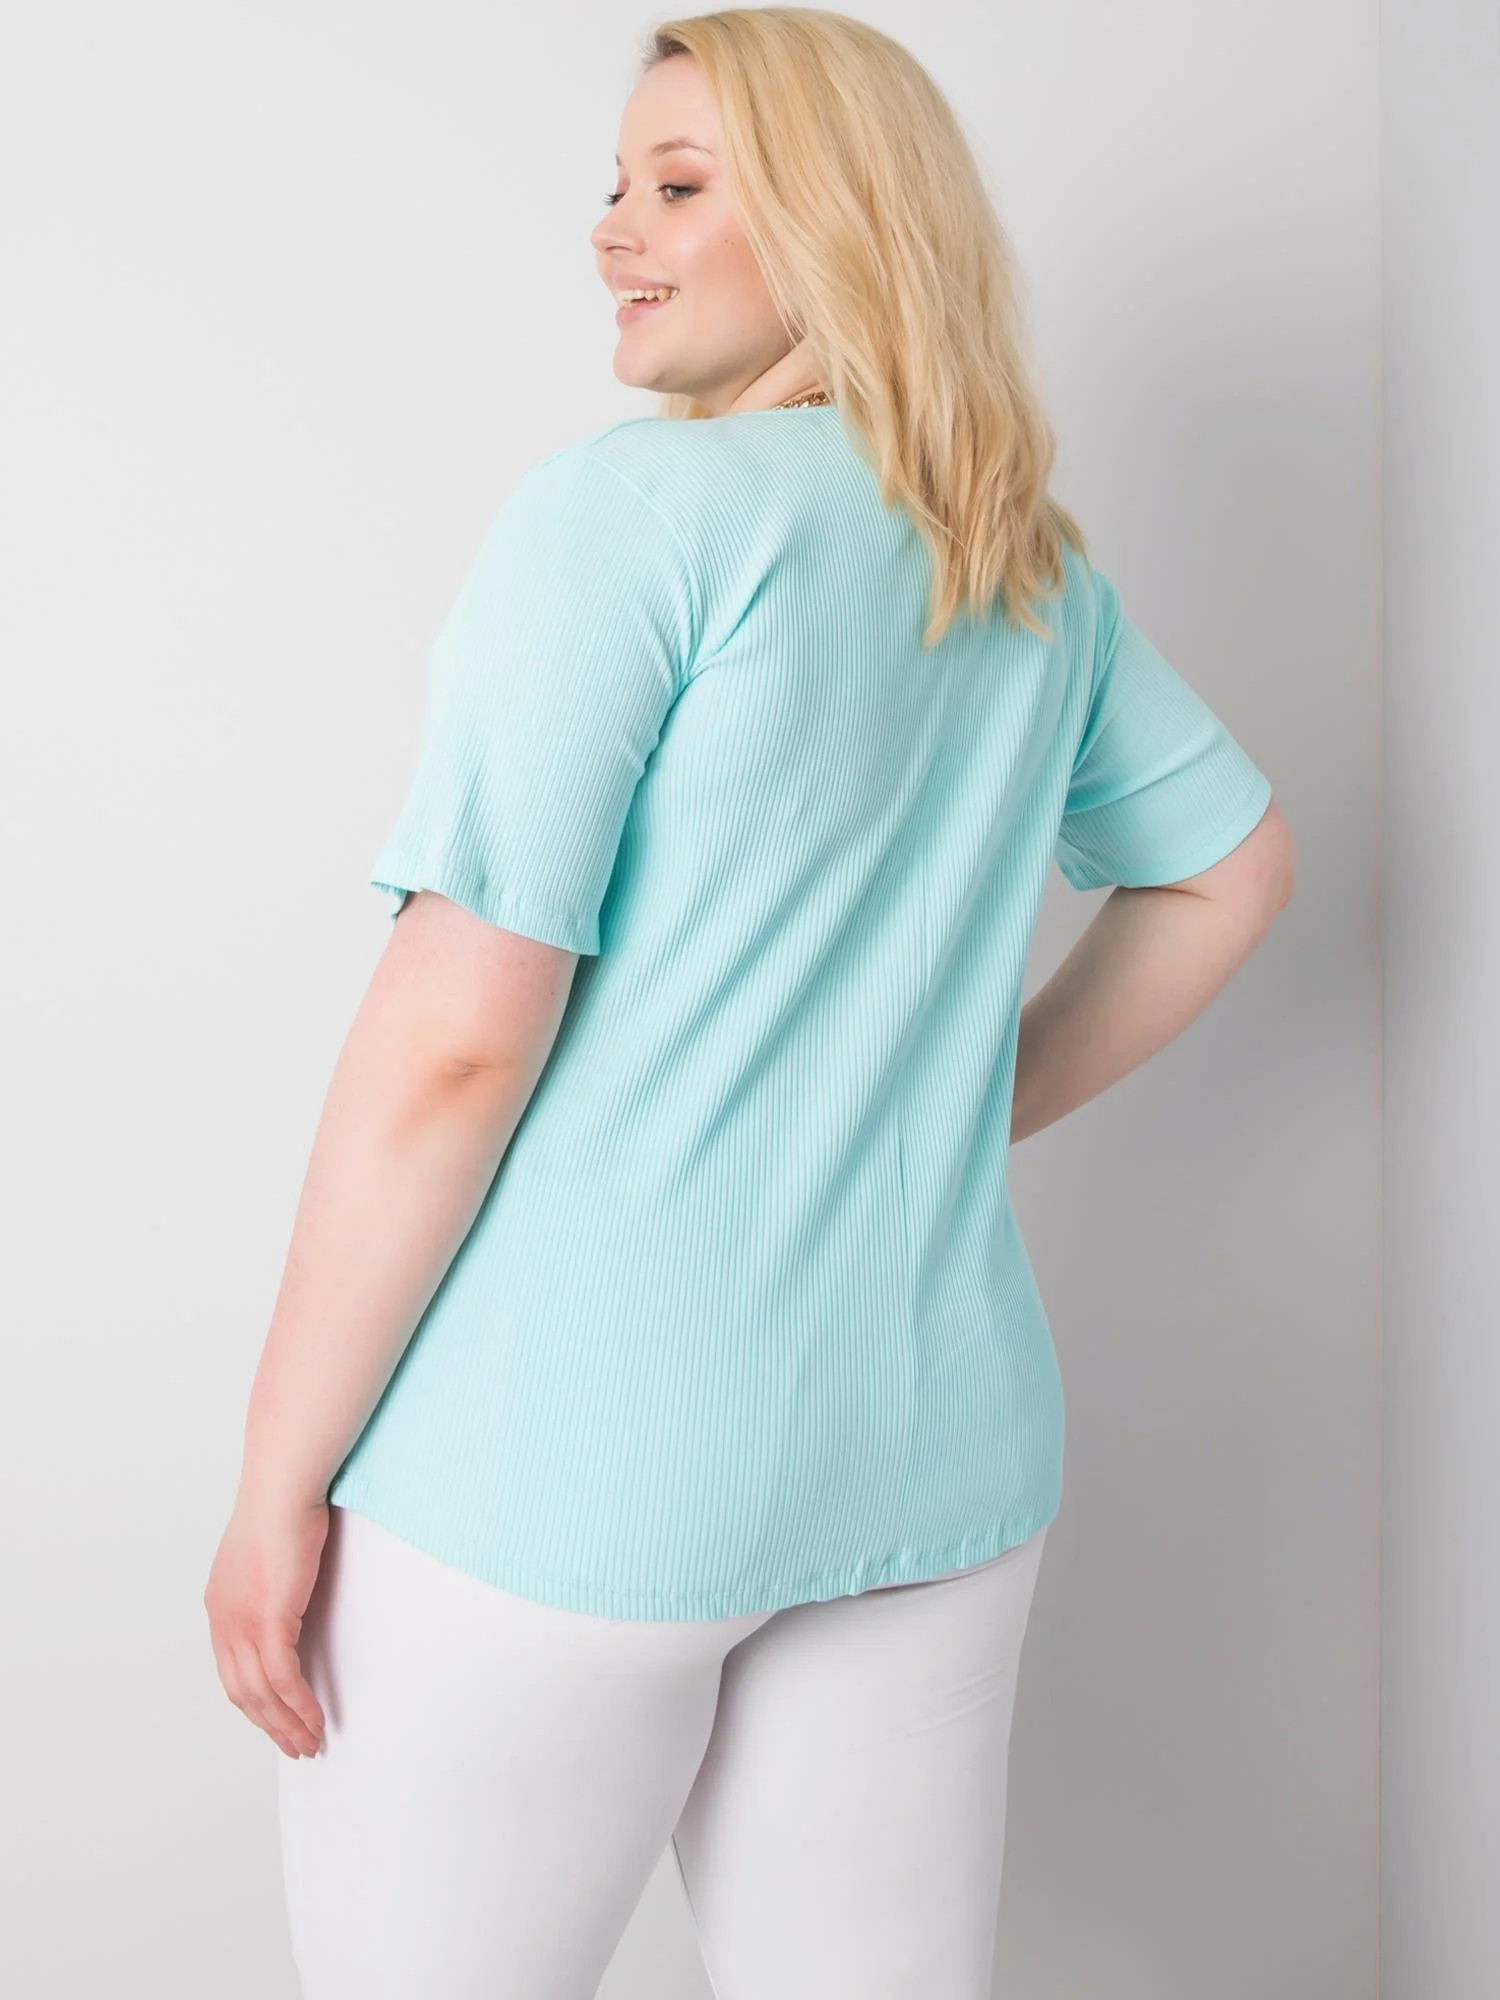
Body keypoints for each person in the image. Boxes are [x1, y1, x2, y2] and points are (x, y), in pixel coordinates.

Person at [204, 10, 1296, 1996]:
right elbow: (1233, 868)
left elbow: (456, 1045)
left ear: (841, 221)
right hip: (931, 1466)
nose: (615, 229)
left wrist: (277, 1480)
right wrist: (940, 1099)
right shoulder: (1021, 565)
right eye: (617, 183)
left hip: (564, 1482)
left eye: (682, 185)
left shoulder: (633, 516)